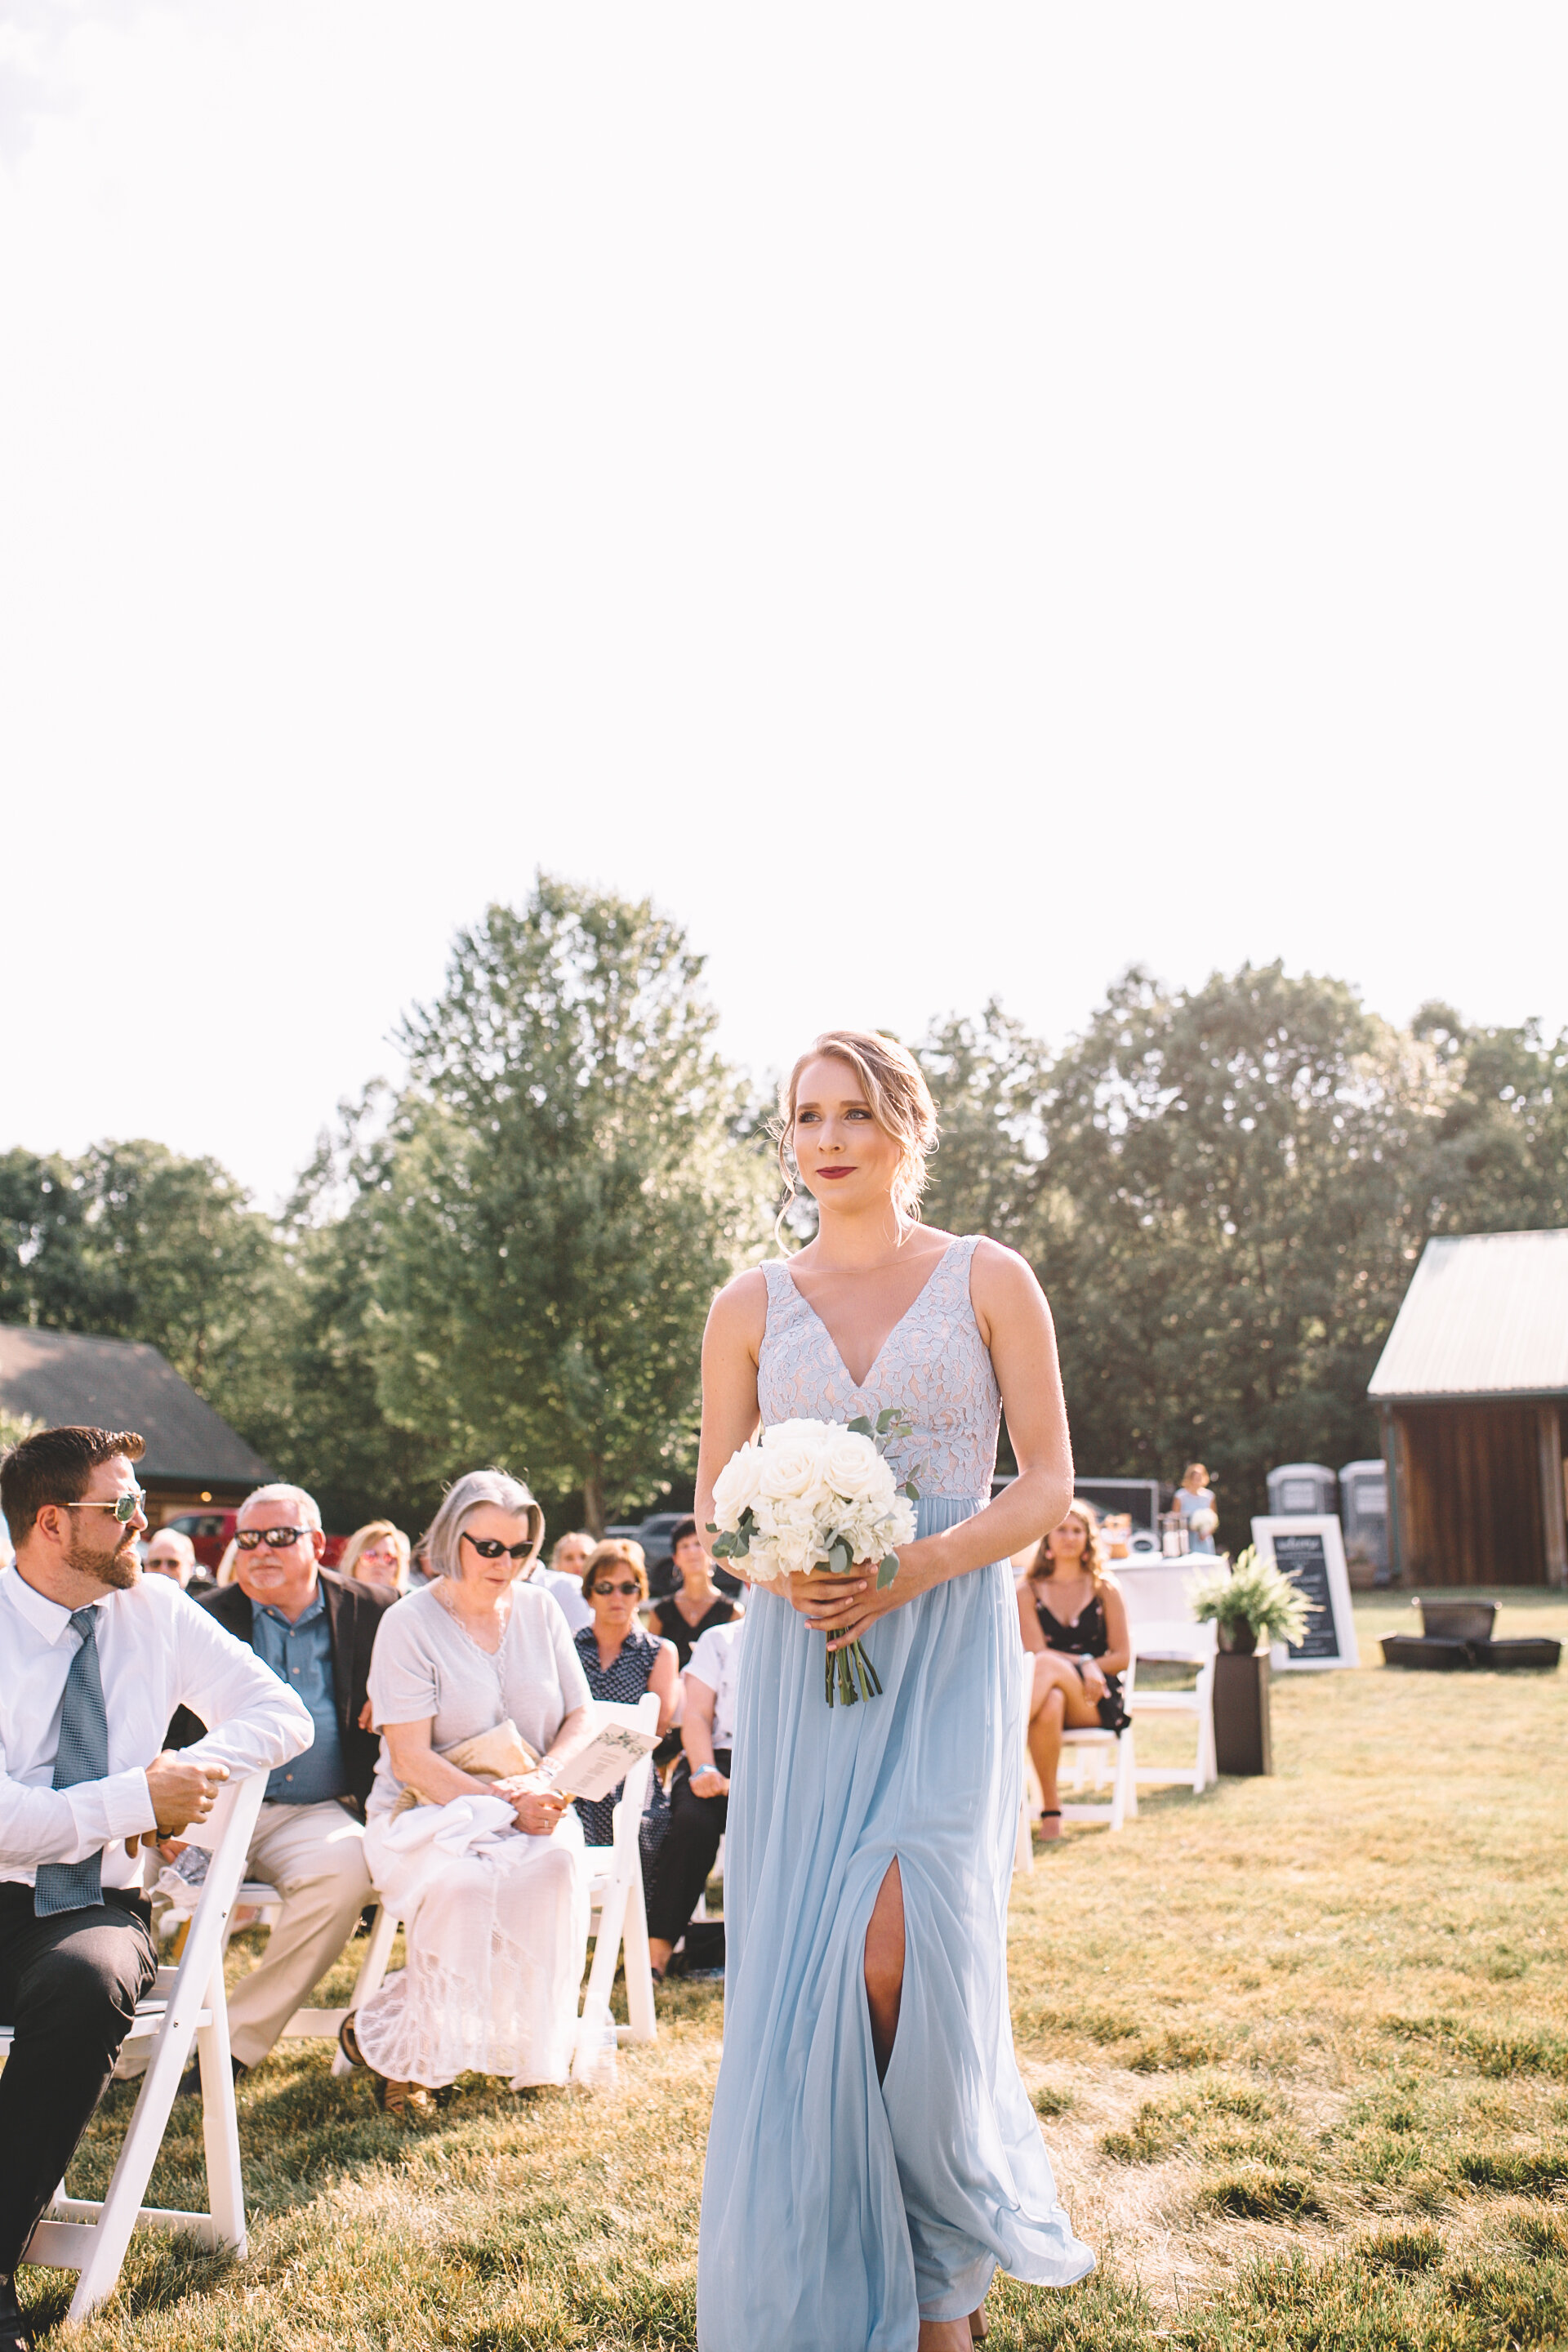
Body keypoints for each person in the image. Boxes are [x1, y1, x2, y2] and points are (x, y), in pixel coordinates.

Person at [694, 1031, 1094, 2351]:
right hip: (810, 1664)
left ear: (905, 1128)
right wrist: (779, 1566)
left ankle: (942, 2274)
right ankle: (872, 2289)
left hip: (945, 1647)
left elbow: (1045, 1486)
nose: (827, 1138)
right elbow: (717, 1518)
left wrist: (916, 1565)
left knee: (905, 1955)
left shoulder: (988, 1277)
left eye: (854, 1112)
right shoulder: (749, 1304)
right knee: (821, 1980)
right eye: (805, 1115)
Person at [0, 1427, 310, 2352]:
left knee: (86, 1982)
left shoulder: (161, 1612)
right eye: (120, 1506)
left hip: (91, 1910)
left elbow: (278, 1715)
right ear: (51, 1523)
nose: (145, 1520)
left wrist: (186, 1775)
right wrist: (132, 1797)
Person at [341, 1470, 594, 2107]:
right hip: (428, 1809)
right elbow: (411, 1759)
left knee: (559, 1864)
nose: (505, 1563)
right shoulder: (409, 1623)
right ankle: (415, 2064)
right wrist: (507, 1803)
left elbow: (580, 1716)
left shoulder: (540, 1609)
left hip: (533, 1802)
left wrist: (543, 1779)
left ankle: (529, 2054)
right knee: (466, 1885)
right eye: (489, 1548)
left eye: (519, 1549)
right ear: (454, 1539)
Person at [171, 1482, 396, 2077]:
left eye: (280, 1536)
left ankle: (229, 2047)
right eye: (249, 1540)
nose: (262, 1550)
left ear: (317, 1543)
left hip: (312, 1809)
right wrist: (163, 1810)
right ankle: (121, 2043)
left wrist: (390, 1697)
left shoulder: (376, 1610)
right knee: (125, 1872)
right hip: (208, 1807)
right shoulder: (203, 1616)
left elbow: (421, 1685)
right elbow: (159, 1720)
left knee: (347, 1874)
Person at [1017, 1506, 1132, 1842]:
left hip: (1096, 1698)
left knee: (1049, 1665)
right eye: (1061, 1530)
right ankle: (1052, 1813)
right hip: (1050, 1692)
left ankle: (1000, 1746)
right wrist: (1085, 1661)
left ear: (1088, 1540)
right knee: (1050, 1699)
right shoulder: (1027, 1591)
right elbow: (1036, 1654)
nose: (1069, 1538)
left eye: (1077, 1531)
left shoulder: (1105, 1588)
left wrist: (1091, 1667)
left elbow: (1123, 1656)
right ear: (1048, 1539)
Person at [646, 1612, 745, 1985]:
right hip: (715, 1755)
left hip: (779, 1761)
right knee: (691, 1824)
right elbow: (698, 1715)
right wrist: (705, 1769)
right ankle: (657, 1955)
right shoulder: (721, 1639)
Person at [571, 1541, 679, 1863]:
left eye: (627, 1587)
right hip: (570, 1766)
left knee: (632, 1816)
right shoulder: (567, 1646)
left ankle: (628, 1910)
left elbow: (654, 1729)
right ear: (589, 1594)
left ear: (640, 1593)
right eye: (605, 1588)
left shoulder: (658, 1652)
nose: (617, 1598)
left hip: (630, 1770)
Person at [648, 1518, 742, 1671]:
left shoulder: (733, 1612)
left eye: (698, 1544)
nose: (692, 1551)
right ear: (675, 1558)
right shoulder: (660, 1613)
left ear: (712, 1552)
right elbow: (650, 1665)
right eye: (684, 1546)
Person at [538, 1530, 594, 1633]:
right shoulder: (550, 1596)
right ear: (557, 1564)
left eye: (584, 1557)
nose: (577, 1564)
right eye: (569, 1558)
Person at [338, 1520, 411, 1593]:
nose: (380, 1563)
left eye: (389, 1558)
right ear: (353, 1562)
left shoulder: (411, 1602)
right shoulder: (335, 1602)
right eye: (370, 1555)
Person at [143, 1526, 216, 1597]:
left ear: (190, 1567)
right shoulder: (134, 1605)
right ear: (146, 1567)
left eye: (173, 1563)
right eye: (156, 1563)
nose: (163, 1569)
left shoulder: (204, 1605)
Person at [1174, 1462, 1218, 1553]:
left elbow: (1214, 1520)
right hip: (1186, 1539)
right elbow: (1175, 1518)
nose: (1196, 1481)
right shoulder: (1180, 1496)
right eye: (1194, 1479)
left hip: (1204, 1540)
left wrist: (1206, 1533)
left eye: (1199, 1478)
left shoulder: (1209, 1496)